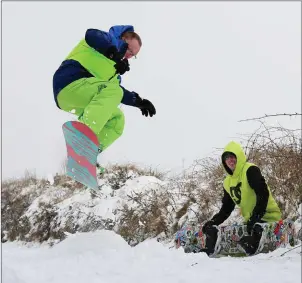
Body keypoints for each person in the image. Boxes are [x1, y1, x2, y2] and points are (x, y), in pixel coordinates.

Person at [52, 25, 156, 153]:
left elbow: (116, 91)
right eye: (129, 50)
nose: (129, 56)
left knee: (117, 119)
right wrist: (114, 54)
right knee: (113, 92)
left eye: (133, 55)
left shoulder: (115, 68)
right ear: (123, 38)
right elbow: (91, 35)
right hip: (68, 82)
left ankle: (88, 154)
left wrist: (139, 102)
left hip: (78, 95)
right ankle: (81, 141)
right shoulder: (108, 40)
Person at [202, 141, 282, 256]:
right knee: (247, 231)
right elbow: (226, 208)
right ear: (224, 162)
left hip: (269, 217)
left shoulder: (250, 170)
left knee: (256, 230)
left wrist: (256, 216)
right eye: (226, 158)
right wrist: (213, 222)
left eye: (232, 156)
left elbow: (263, 193)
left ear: (239, 156)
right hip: (251, 222)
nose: (230, 160)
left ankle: (256, 242)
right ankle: (211, 247)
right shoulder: (227, 182)